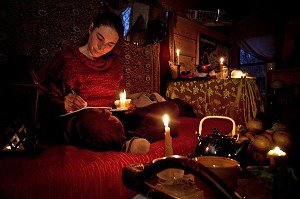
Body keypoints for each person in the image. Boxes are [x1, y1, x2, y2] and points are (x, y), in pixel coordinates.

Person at [39, 11, 179, 153]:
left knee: (170, 109)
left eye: (110, 44)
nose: (102, 48)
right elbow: (43, 100)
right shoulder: (66, 60)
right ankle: (126, 140)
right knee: (100, 126)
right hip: (87, 121)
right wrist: (64, 104)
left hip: (115, 119)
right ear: (91, 28)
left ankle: (131, 139)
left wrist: (126, 106)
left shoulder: (115, 65)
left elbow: (118, 100)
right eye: (100, 38)